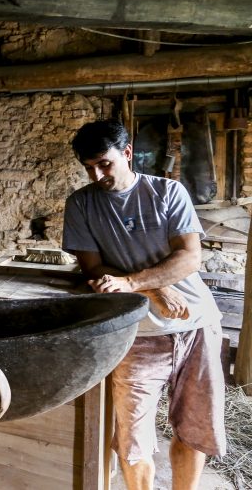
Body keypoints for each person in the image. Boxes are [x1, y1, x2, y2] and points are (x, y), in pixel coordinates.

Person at [62, 119, 226, 490]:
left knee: (194, 429)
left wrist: (135, 282)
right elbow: (92, 268)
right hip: (137, 333)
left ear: (127, 153)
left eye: (105, 163)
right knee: (134, 442)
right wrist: (152, 289)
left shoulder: (168, 193)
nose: (98, 174)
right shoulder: (81, 204)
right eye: (89, 167)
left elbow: (189, 258)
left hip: (195, 324)